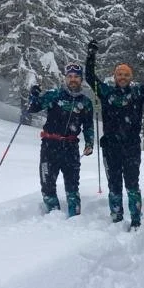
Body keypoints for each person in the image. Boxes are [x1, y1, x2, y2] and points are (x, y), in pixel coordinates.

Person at [85, 40, 144, 228]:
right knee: (114, 184)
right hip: (110, 146)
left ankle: (136, 220)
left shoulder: (137, 93)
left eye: (126, 74)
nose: (122, 77)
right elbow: (90, 77)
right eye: (119, 74)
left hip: (131, 146)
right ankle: (116, 218)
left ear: (131, 77)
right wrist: (91, 55)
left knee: (132, 183)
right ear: (114, 76)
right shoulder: (105, 92)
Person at [28, 63, 94, 217]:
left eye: (76, 77)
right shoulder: (54, 95)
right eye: (70, 76)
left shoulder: (85, 102)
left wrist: (90, 143)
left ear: (81, 79)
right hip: (50, 146)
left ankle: (75, 218)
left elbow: (89, 126)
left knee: (72, 186)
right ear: (65, 78)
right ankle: (54, 218)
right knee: (47, 184)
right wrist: (34, 95)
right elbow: (33, 108)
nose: (73, 79)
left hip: (71, 147)